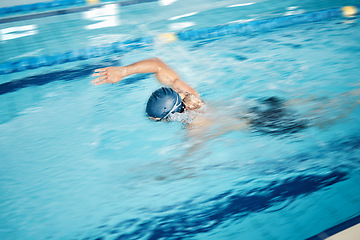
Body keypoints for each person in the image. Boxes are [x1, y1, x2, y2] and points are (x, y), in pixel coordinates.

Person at [92, 58, 359, 137]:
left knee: (326, 118)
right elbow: (159, 65)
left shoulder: (195, 126)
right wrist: (124, 71)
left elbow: (188, 164)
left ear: (171, 115)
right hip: (256, 103)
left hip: (263, 121)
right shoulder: (187, 92)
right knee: (311, 103)